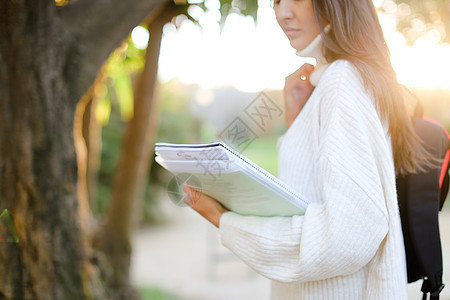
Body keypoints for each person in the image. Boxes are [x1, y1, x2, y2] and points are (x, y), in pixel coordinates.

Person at [183, 0, 432, 298]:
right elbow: (316, 190)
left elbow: (348, 235)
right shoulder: (340, 80)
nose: (282, 12)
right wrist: (296, 121)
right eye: (276, 0)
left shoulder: (342, 82)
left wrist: (225, 221)